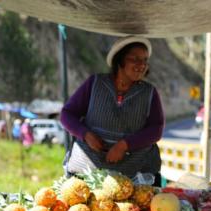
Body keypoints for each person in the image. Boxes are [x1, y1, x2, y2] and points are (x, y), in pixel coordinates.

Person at [60, 36, 165, 186]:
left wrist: (124, 145)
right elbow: (67, 114)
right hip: (89, 168)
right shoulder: (95, 83)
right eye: (134, 59)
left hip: (133, 172)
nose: (141, 65)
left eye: (145, 60)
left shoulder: (149, 93)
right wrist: (86, 135)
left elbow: (156, 129)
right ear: (120, 60)